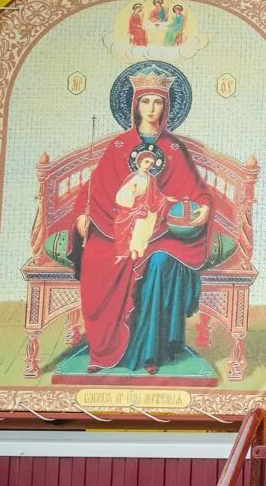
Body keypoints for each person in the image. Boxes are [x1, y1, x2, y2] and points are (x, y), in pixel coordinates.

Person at [74, 65, 213, 374]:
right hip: (117, 227)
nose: (152, 109)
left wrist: (202, 209)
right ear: (135, 104)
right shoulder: (119, 145)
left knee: (160, 262)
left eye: (159, 102)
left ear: (167, 106)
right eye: (146, 101)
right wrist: (84, 215)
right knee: (99, 258)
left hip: (162, 232)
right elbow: (94, 190)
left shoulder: (175, 149)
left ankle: (151, 352)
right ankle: (104, 350)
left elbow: (196, 191)